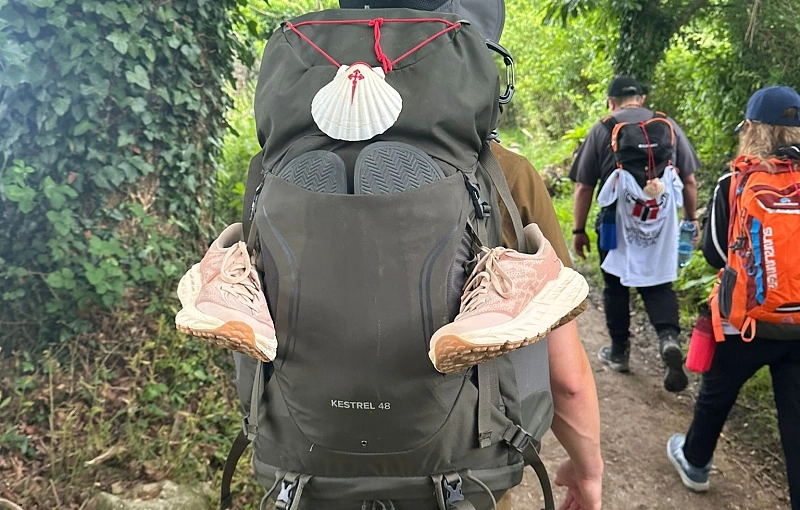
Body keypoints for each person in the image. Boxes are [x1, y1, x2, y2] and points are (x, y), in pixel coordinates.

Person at [667, 85, 800, 509]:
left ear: (751, 128)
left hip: (747, 321)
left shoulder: (735, 182)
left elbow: (714, 254)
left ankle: (695, 462)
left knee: (717, 392)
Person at [569, 75, 701, 392]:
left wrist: (578, 229)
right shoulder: (668, 125)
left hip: (615, 222)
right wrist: (690, 219)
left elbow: (584, 186)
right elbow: (689, 180)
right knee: (659, 285)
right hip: (661, 222)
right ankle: (668, 338)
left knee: (615, 286)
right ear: (641, 99)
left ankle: (619, 352)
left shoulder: (603, 129)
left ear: (611, 102)